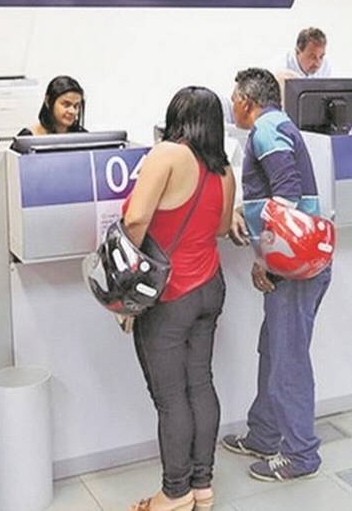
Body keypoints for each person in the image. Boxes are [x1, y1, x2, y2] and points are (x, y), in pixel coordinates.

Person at [120, 86, 236, 511]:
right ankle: (202, 485)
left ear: (175, 117)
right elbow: (221, 228)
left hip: (169, 294)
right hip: (209, 286)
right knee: (200, 383)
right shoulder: (224, 170)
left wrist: (126, 286)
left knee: (170, 398)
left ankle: (174, 493)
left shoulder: (166, 154)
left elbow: (136, 218)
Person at [221, 67, 332, 482]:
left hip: (292, 265)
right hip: (299, 260)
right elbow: (276, 192)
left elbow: (285, 195)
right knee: (274, 350)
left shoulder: (265, 130)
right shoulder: (277, 126)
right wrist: (242, 211)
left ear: (247, 101)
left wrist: (265, 260)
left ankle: (301, 454)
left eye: (234, 98)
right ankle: (264, 435)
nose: (231, 105)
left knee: (288, 361)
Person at [17, 75, 87, 136]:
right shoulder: (28, 137)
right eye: (66, 105)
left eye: (76, 106)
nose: (72, 111)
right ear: (48, 102)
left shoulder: (83, 137)